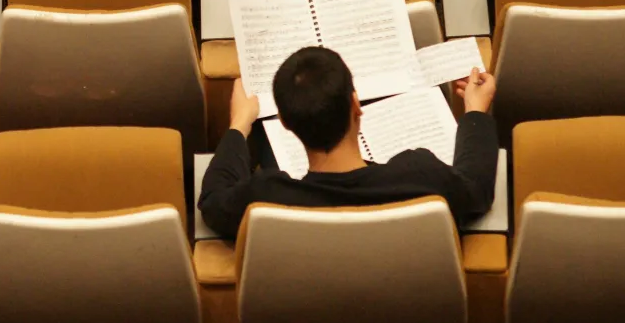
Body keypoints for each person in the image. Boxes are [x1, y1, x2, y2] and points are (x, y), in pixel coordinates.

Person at [199, 45, 499, 239]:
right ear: (356, 105)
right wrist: (475, 111)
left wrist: (239, 124)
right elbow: (477, 188)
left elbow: (212, 201)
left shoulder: (266, 199)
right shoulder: (421, 177)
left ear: (285, 123)